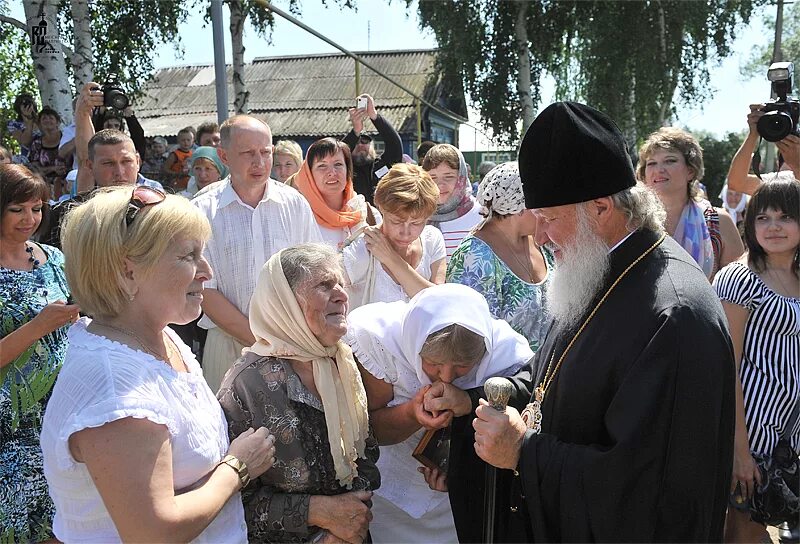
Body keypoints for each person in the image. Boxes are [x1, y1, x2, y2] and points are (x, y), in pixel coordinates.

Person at [427, 102, 736, 542]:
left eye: (551, 219)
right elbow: (555, 371)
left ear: (600, 208)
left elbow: (650, 487)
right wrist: (476, 399)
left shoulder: (674, 314)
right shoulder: (595, 268)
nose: (543, 237)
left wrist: (523, 453)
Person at [40, 185, 276, 542]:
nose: (206, 271)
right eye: (188, 256)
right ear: (128, 272)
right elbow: (152, 532)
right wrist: (238, 467)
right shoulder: (115, 386)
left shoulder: (159, 336)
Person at [344, 283, 533, 543]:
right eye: (433, 364)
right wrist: (411, 413)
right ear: (414, 344)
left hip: (457, 505)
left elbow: (517, 423)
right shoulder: (379, 341)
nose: (446, 377)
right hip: (390, 496)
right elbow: (367, 429)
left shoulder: (506, 355)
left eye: (463, 367)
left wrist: (458, 470)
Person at [218, 243, 380, 543]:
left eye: (341, 284)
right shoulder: (247, 384)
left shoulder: (342, 364)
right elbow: (230, 502)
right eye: (324, 285)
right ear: (286, 303)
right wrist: (320, 514)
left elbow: (365, 461)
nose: (342, 295)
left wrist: (346, 521)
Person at [192, 115, 322, 392]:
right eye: (248, 153)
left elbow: (315, 274)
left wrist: (292, 341)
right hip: (228, 345)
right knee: (230, 433)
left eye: (265, 152)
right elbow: (204, 290)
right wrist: (264, 342)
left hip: (293, 345)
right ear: (224, 156)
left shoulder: (294, 204)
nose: (259, 163)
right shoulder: (202, 212)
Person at [712, 178, 800, 543]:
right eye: (762, 218)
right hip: (751, 434)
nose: (773, 226)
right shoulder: (740, 278)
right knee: (743, 535)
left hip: (789, 435)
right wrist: (739, 450)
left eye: (784, 216)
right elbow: (724, 366)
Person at [0, 164, 78, 543]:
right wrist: (37, 327)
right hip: (9, 431)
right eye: (17, 209)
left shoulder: (54, 259)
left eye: (37, 208)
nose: (29, 219)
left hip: (61, 421)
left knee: (63, 526)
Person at [447, 162, 551, 352]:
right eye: (540, 203)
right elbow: (472, 338)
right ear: (518, 207)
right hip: (505, 377)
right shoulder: (475, 257)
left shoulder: (542, 241)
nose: (547, 209)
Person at [637, 126, 744, 280]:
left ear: (690, 171)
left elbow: (736, 288)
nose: (658, 170)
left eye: (670, 161)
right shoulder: (633, 222)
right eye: (651, 163)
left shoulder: (718, 221)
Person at [343, 163, 445, 309]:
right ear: (381, 208)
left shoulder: (432, 239)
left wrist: (391, 258)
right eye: (396, 221)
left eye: (416, 223)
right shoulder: (361, 249)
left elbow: (438, 303)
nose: (406, 232)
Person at [292, 137, 374, 247]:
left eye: (338, 164)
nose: (332, 172)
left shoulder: (366, 213)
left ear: (347, 170)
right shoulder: (298, 219)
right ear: (309, 175)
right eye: (322, 166)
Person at [422, 144, 483, 262]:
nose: (440, 185)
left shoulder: (481, 216)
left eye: (448, 177)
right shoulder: (417, 216)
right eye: (433, 178)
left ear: (462, 177)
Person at [343, 94, 404, 204]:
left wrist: (374, 115)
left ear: (372, 146)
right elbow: (338, 153)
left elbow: (395, 144)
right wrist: (355, 131)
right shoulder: (345, 170)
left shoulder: (384, 164)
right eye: (356, 142)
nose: (360, 145)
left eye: (365, 141)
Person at [728, 104, 800, 195]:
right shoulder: (782, 180)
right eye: (784, 151)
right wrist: (753, 135)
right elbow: (737, 184)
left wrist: (797, 165)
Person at [28, 106, 69, 200]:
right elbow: (35, 169)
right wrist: (53, 169)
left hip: (69, 181)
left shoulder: (66, 139)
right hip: (45, 184)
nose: (47, 120)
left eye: (51, 118)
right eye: (44, 118)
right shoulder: (36, 143)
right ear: (39, 124)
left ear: (58, 122)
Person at [7, 93, 39, 160]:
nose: (26, 105)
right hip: (28, 158)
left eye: (29, 102)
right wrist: (29, 121)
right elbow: (25, 142)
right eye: (23, 104)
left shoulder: (44, 119)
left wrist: (35, 117)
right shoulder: (14, 124)